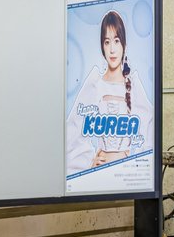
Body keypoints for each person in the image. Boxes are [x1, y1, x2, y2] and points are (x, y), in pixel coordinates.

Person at [66, 10, 153, 174]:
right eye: (107, 42)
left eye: (116, 41)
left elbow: (149, 131)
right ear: (102, 46)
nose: (112, 49)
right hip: (99, 173)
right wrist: (89, 163)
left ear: (124, 45)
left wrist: (139, 167)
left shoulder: (133, 85)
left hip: (126, 174)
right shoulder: (94, 83)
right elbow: (73, 131)